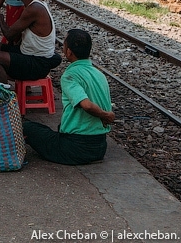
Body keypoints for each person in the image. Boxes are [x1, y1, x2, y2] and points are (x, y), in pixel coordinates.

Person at [21, 28, 115, 166]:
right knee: (50, 129)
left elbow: (86, 105)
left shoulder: (70, 75)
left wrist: (105, 115)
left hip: (75, 148)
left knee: (27, 128)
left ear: (69, 52)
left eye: (64, 45)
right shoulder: (99, 74)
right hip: (100, 147)